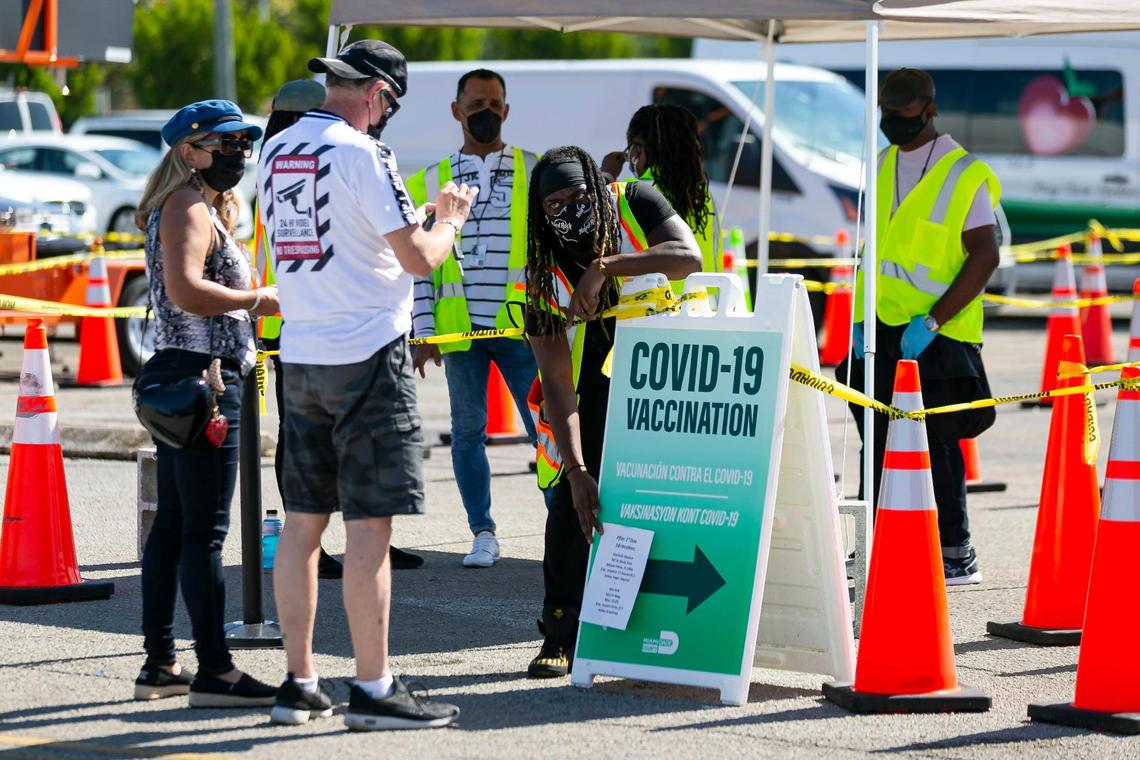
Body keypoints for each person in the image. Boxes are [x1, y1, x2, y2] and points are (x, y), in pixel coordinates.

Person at [258, 40, 477, 729]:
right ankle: (375, 688)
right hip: (366, 354)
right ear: (379, 96)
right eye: (389, 104)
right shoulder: (362, 152)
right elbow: (417, 257)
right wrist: (450, 218)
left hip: (303, 351)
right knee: (368, 527)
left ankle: (299, 682)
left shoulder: (277, 148)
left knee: (301, 525)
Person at [523, 146, 701, 677]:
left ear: (596, 189)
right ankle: (560, 633)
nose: (566, 211)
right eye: (552, 204)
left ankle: (663, 628)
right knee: (570, 505)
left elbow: (687, 256)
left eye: (576, 197)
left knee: (666, 501)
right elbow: (555, 380)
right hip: (589, 389)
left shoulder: (635, 200)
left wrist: (605, 266)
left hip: (669, 383)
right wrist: (575, 470)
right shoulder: (541, 273)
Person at [133, 100, 279, 707]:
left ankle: (160, 662)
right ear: (187, 150)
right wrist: (255, 299)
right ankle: (214, 671)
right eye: (224, 142)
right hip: (207, 381)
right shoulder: (187, 206)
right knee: (204, 533)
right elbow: (186, 289)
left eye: (244, 142)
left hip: (186, 376)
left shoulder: (196, 206)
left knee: (173, 525)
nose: (238, 153)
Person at [255, 78, 424, 576]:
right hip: (315, 330)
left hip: (299, 326)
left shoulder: (280, 158)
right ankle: (345, 545)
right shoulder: (316, 156)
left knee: (323, 473)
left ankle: (349, 542)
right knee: (322, 460)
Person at [839, 68, 1000, 586]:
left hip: (938, 330)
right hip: (883, 325)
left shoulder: (963, 172)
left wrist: (934, 319)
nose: (893, 123)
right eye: (886, 114)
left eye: (903, 115)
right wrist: (862, 316)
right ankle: (879, 539)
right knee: (879, 436)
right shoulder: (883, 164)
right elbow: (874, 248)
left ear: (929, 110)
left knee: (939, 442)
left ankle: (955, 551)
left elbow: (985, 254)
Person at [405, 69, 541, 568]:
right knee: (467, 431)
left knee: (542, 429)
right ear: (456, 110)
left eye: (494, 103)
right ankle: (482, 531)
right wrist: (423, 332)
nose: (486, 111)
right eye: (476, 103)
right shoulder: (430, 180)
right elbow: (419, 266)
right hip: (460, 328)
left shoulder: (536, 168)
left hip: (522, 328)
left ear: (506, 109)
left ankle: (562, 525)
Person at [601, 103, 721, 278]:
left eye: (631, 147)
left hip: (658, 303)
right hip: (706, 302)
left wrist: (606, 175)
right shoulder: (703, 195)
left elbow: (588, 215)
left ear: (638, 150)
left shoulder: (634, 193)